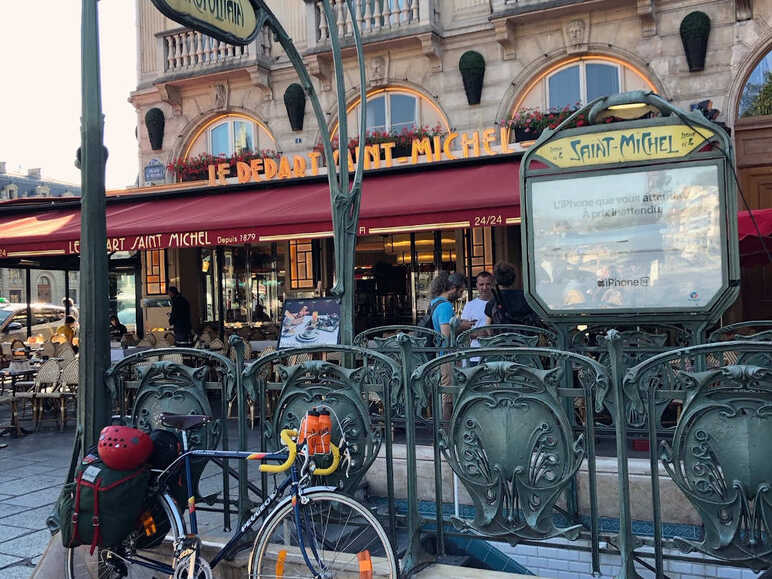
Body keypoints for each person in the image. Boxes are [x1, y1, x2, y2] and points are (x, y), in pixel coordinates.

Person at [484, 262, 538, 326]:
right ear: (514, 278)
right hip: (524, 335)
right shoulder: (527, 298)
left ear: (496, 280)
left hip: (501, 335)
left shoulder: (493, 302)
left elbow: (488, 326)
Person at [460, 271, 493, 361]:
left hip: (495, 355)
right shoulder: (470, 305)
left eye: (488, 284)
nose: (484, 287)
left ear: (492, 284)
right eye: (481, 284)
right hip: (474, 356)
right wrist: (478, 334)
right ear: (477, 285)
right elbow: (462, 332)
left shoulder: (499, 303)